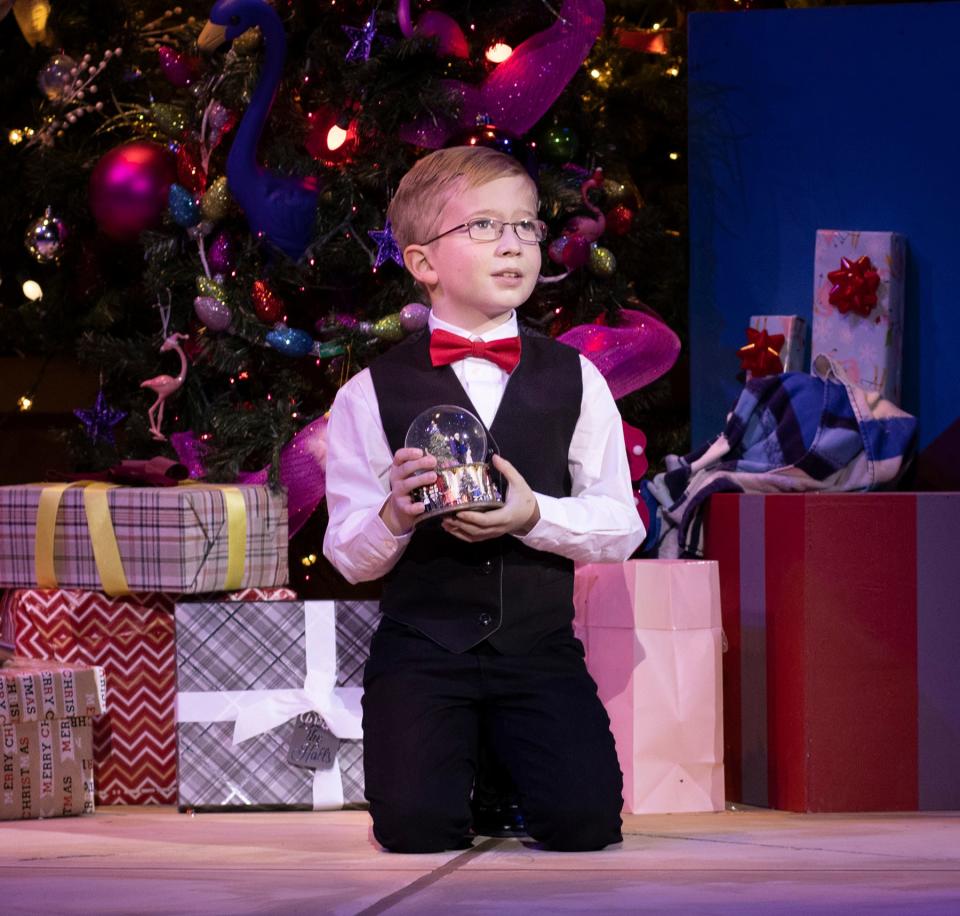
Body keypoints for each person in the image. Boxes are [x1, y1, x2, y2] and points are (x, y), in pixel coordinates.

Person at [322, 146, 645, 853]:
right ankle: (463, 767)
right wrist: (394, 516)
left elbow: (622, 525)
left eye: (526, 227)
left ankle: (502, 768)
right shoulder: (369, 392)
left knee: (585, 826)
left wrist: (536, 515)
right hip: (424, 645)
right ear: (423, 263)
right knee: (415, 831)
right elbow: (347, 554)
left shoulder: (575, 378)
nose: (512, 244)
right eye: (484, 227)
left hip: (537, 644)